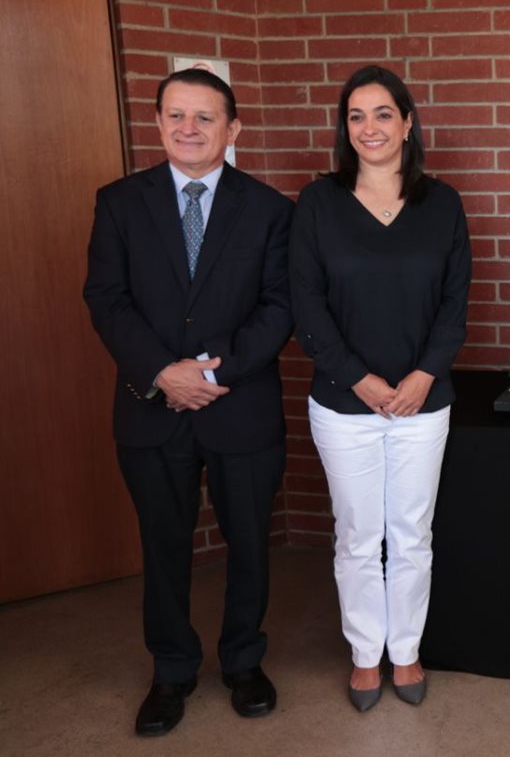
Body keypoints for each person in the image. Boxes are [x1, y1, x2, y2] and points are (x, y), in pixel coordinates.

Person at [83, 68, 293, 736]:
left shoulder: (270, 209)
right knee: (164, 544)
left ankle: (242, 660)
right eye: (175, 114)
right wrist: (160, 373)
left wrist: (213, 372)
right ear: (158, 123)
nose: (188, 128)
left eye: (205, 117)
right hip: (152, 407)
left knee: (249, 544)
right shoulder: (119, 202)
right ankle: (171, 670)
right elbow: (106, 300)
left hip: (241, 405)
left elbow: (280, 306)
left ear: (233, 129)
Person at [290, 65, 471, 712]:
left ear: (408, 123)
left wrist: (423, 375)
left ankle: (407, 651)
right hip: (344, 405)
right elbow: (306, 305)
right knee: (359, 535)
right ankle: (367, 655)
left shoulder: (442, 203)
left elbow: (455, 304)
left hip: (424, 404)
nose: (370, 128)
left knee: (412, 534)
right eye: (356, 116)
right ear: (345, 128)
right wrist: (360, 379)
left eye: (383, 114)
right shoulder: (318, 203)